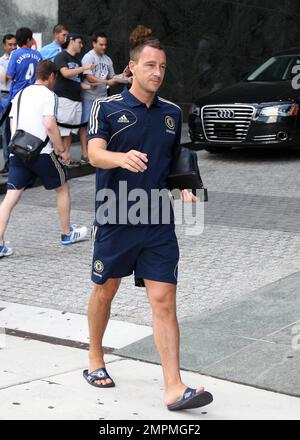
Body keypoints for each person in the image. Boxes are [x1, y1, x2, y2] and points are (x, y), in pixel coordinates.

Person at [83, 30, 213, 411]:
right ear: (132, 66)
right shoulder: (106, 108)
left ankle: (174, 387)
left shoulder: (172, 113)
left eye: (162, 67)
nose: (157, 73)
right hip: (116, 214)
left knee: (164, 300)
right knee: (106, 289)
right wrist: (120, 158)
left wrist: (187, 188)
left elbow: (175, 162)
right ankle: (94, 356)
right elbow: (93, 153)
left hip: (157, 218)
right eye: (150, 65)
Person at [0, 60, 88, 258]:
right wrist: (62, 150)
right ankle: (67, 233)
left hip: (19, 152)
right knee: (63, 186)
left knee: (11, 197)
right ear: (51, 77)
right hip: (41, 153)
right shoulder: (49, 95)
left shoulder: (20, 94)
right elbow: (49, 124)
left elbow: (13, 124)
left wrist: (19, 148)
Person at [80, 32, 130, 164]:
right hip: (88, 97)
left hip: (102, 98)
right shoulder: (88, 57)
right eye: (101, 44)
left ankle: (96, 152)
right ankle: (85, 154)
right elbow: (88, 77)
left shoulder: (108, 60)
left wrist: (123, 76)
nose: (103, 47)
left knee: (100, 126)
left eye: (105, 45)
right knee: (86, 125)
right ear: (94, 43)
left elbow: (112, 77)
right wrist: (106, 82)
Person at [53, 33, 96, 164]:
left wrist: (90, 87)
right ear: (71, 41)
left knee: (70, 131)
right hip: (64, 98)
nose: (81, 45)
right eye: (80, 42)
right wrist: (85, 68)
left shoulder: (77, 61)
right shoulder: (61, 56)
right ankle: (57, 157)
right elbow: (65, 73)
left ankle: (66, 157)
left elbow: (78, 82)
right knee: (62, 130)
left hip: (76, 99)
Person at [6, 27, 42, 102]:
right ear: (28, 40)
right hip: (34, 94)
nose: (32, 41)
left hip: (18, 93)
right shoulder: (38, 54)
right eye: (32, 39)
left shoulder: (15, 54)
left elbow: (10, 75)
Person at [0, 33, 17, 174]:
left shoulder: (20, 57)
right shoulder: (1, 61)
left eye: (14, 44)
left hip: (18, 96)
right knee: (6, 130)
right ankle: (8, 162)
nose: (12, 47)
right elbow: (3, 80)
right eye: (10, 44)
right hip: (5, 95)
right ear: (4, 45)